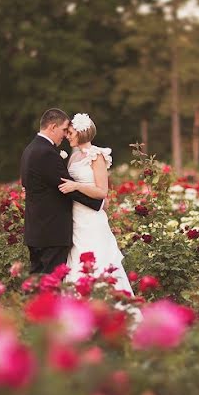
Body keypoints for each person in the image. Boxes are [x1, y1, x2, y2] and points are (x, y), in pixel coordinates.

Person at [20, 109, 103, 275]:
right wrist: (97, 202)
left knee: (38, 285)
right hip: (51, 232)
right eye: (65, 130)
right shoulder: (46, 153)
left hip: (37, 230)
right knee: (51, 284)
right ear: (52, 127)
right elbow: (65, 185)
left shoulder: (30, 149)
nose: (65, 135)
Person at [58, 113, 134, 295]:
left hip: (91, 218)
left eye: (71, 133)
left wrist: (76, 185)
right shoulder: (73, 157)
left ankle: (105, 299)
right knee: (76, 259)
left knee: (97, 257)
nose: (67, 136)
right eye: (67, 133)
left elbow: (102, 191)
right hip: (75, 216)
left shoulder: (97, 155)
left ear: (81, 133)